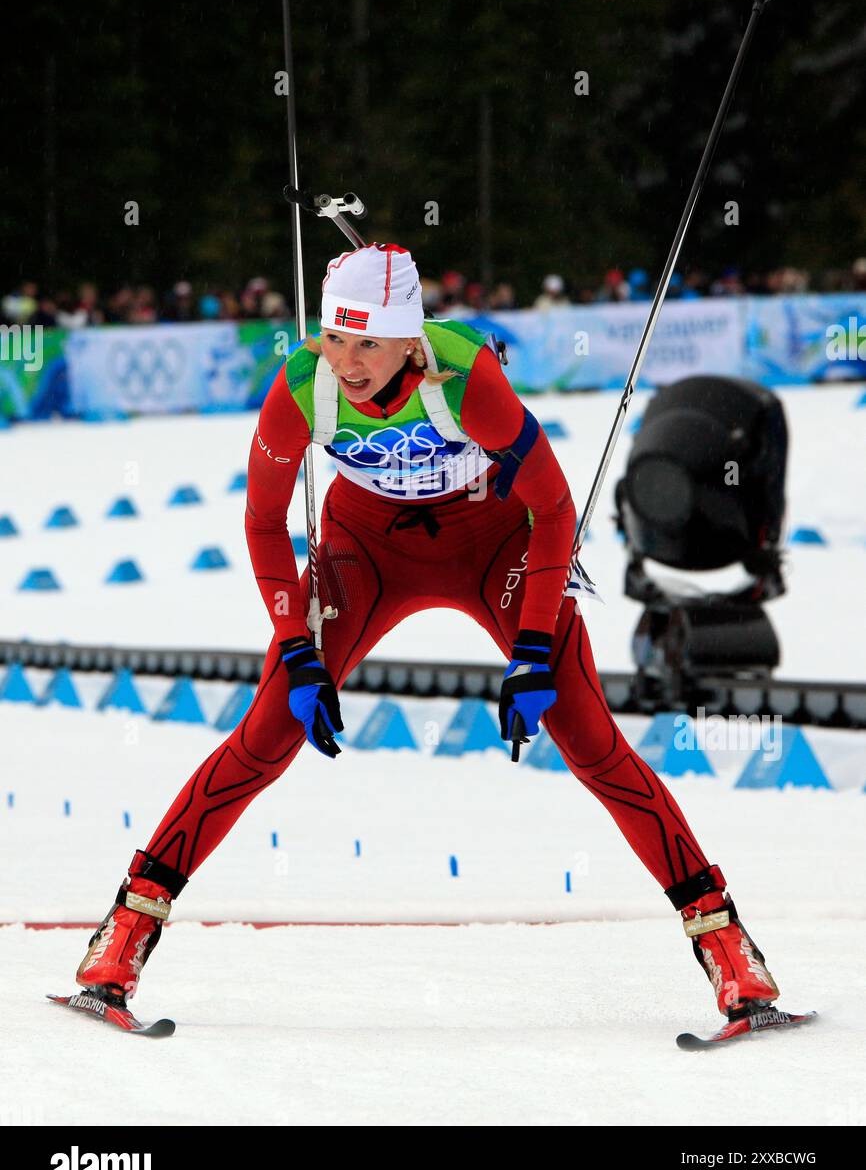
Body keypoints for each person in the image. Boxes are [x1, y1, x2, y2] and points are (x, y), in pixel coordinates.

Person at [73, 241, 781, 1028]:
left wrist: (535, 650)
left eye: (368, 341)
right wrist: (298, 650)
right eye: (335, 338)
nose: (347, 362)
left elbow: (551, 510)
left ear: (410, 338)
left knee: (587, 738)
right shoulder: (304, 385)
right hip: (367, 547)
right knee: (267, 732)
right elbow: (263, 521)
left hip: (495, 542)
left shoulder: (468, 380)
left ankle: (727, 949)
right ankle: (125, 935)